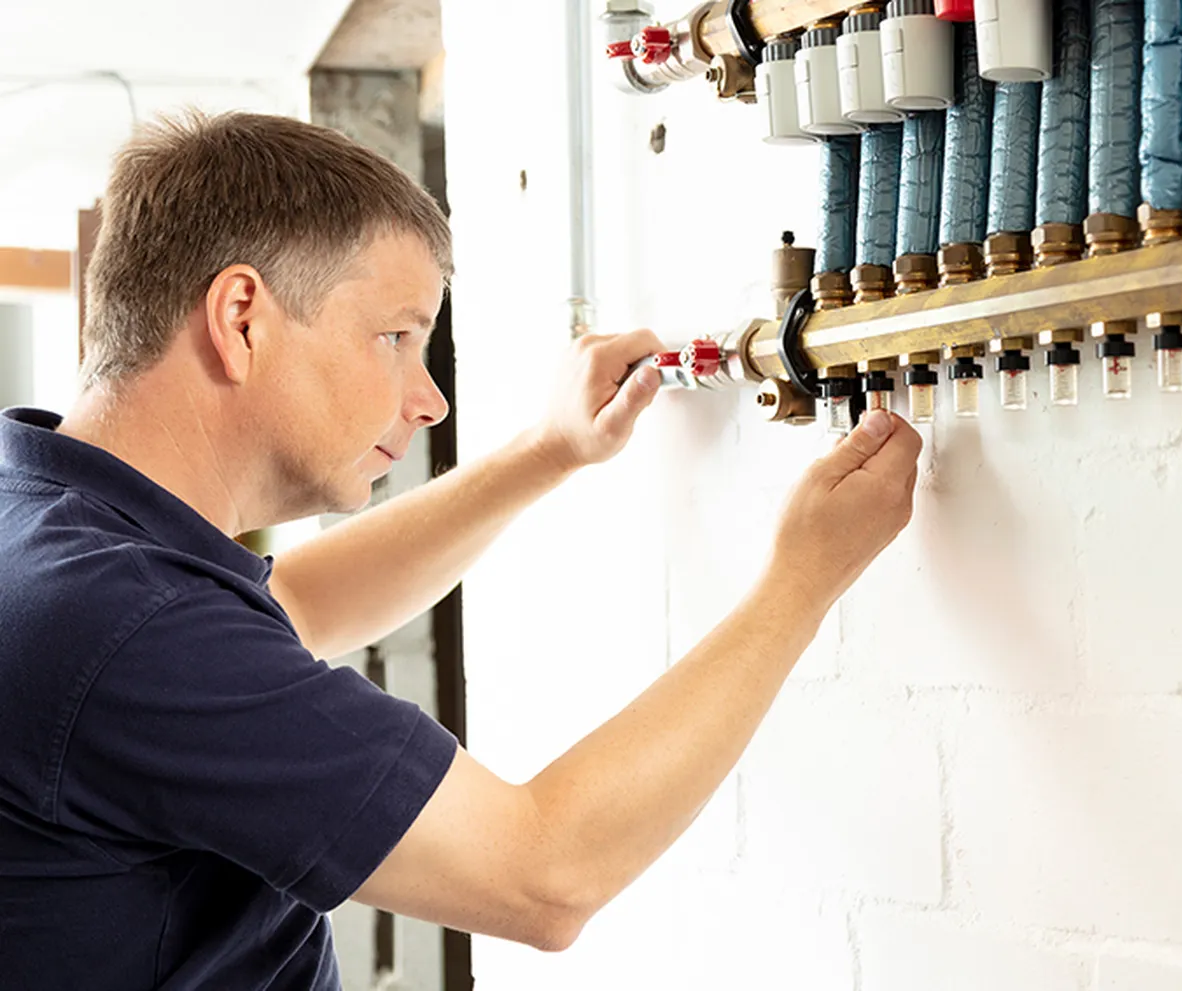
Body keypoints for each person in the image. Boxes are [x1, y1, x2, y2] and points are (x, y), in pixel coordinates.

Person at [0, 111, 921, 989]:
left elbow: (305, 605)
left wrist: (547, 451)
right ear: (242, 318)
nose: (428, 398)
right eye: (394, 337)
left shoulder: (48, 530)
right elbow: (545, 872)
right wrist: (805, 576)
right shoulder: (127, 628)